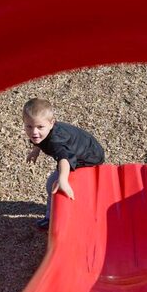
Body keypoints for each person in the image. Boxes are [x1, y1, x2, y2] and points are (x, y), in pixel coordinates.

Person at [23, 98, 105, 229]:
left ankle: (51, 218)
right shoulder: (42, 134)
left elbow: (64, 159)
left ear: (51, 124)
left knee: (52, 184)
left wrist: (62, 179)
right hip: (85, 148)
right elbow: (39, 140)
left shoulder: (56, 142)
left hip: (88, 158)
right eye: (29, 126)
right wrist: (36, 151)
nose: (34, 132)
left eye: (40, 127)